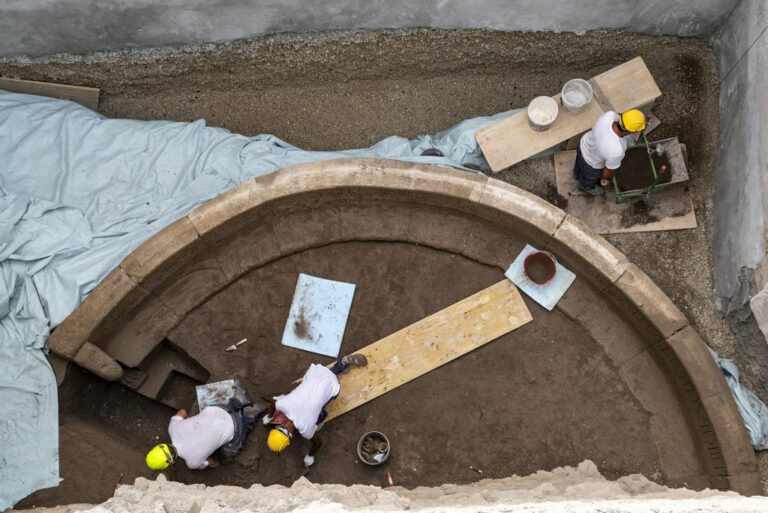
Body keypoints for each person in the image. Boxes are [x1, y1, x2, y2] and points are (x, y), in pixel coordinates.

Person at [262, 354, 368, 467]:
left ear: (290, 436)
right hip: (317, 373)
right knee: (313, 387)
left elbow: (318, 442)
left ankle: (323, 412)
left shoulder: (305, 429)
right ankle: (342, 363)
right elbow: (273, 404)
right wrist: (269, 416)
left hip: (332, 385)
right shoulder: (282, 404)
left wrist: (310, 456)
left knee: (319, 416)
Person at [146, 397, 263, 471]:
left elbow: (210, 462)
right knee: (214, 412)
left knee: (230, 452)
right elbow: (183, 411)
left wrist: (213, 461)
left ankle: (248, 417)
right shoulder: (172, 428)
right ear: (160, 445)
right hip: (218, 409)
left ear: (170, 463)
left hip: (234, 426)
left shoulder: (192, 463)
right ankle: (236, 402)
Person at [573, 109, 647, 196]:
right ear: (632, 131)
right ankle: (585, 187)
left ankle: (576, 174)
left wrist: (639, 120)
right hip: (592, 163)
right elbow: (608, 170)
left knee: (579, 163)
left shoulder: (610, 115)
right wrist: (607, 179)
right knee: (589, 178)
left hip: (584, 144)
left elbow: (620, 117)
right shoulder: (617, 150)